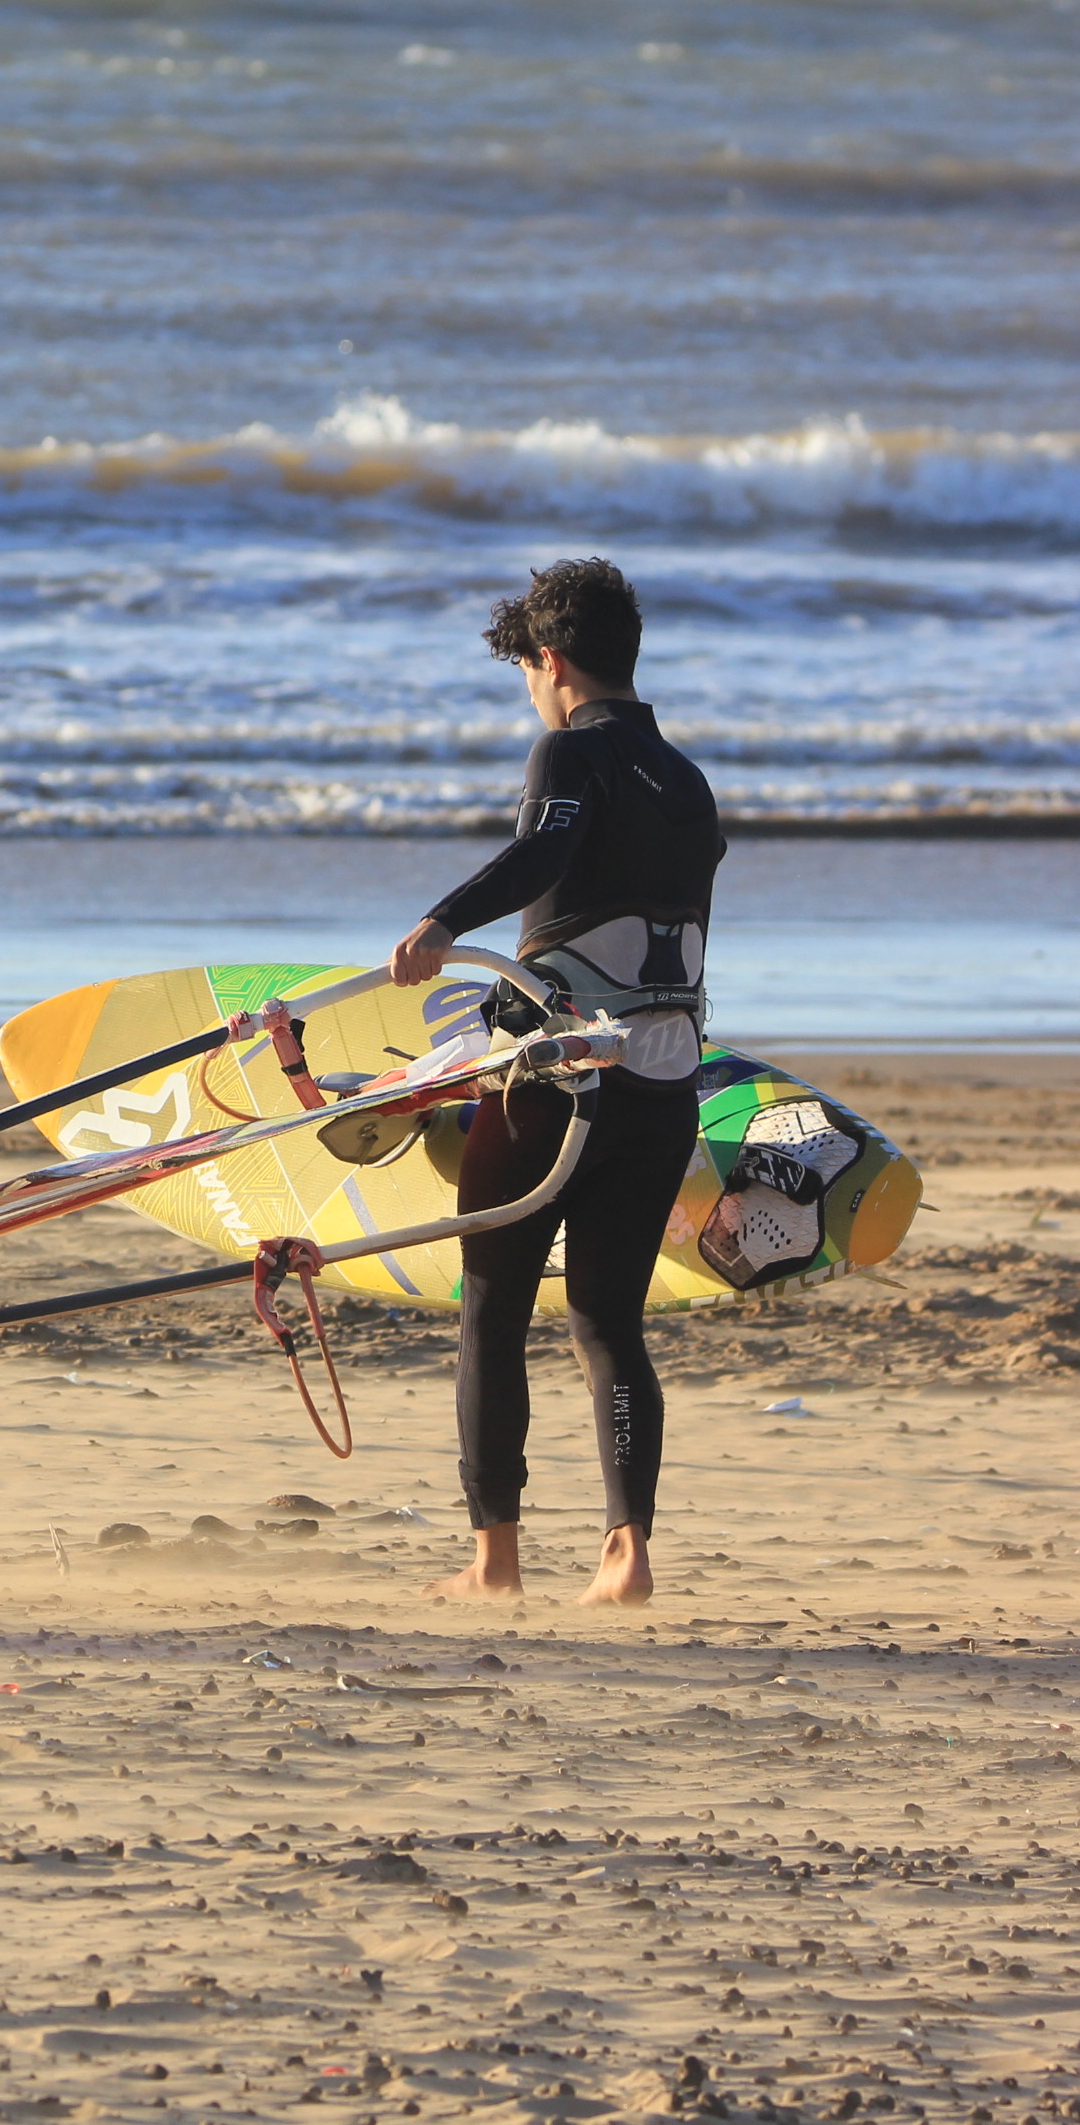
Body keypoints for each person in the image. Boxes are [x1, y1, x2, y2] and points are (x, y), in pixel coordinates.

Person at [386, 557, 723, 1609]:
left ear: (554, 660)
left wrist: (445, 921)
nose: (534, 687)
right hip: (665, 1088)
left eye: (531, 668)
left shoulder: (572, 748)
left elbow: (546, 849)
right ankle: (628, 1550)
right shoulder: (685, 777)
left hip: (556, 1083)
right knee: (608, 1320)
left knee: (490, 1303)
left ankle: (496, 1560)